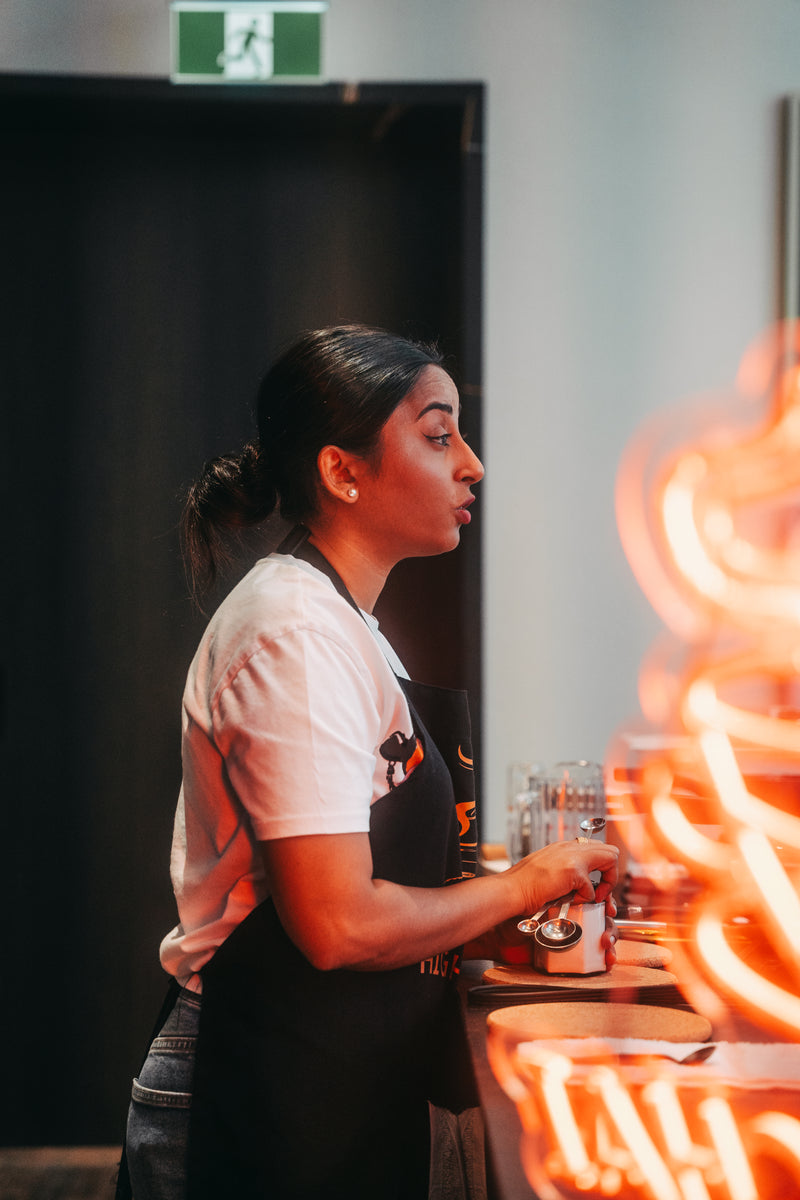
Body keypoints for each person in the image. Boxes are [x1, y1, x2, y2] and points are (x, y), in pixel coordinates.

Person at [119, 324, 618, 1200]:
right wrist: (526, 885)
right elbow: (338, 923)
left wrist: (494, 919)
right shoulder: (294, 632)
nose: (473, 464)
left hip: (324, 1071)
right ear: (342, 472)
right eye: (438, 435)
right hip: (252, 1076)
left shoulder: (348, 626)